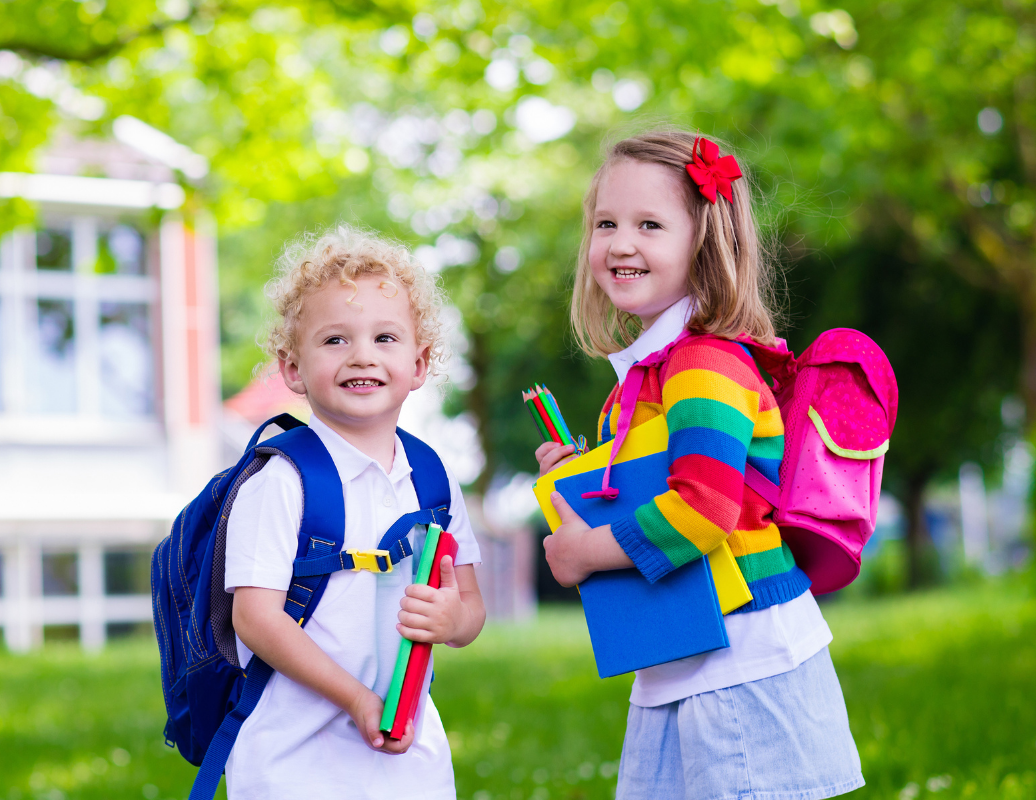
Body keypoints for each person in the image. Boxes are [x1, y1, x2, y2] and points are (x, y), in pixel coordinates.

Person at [536, 130, 864, 800]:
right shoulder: (649, 375)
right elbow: (663, 477)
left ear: (704, 242)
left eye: (649, 224)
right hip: (685, 654)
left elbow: (706, 509)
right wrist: (587, 472)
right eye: (606, 223)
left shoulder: (703, 364)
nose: (621, 243)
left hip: (741, 662)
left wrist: (586, 552)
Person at [224, 227, 485, 798]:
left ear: (419, 364)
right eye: (335, 340)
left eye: (385, 338)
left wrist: (451, 622)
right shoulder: (279, 482)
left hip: (410, 762)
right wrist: (356, 699)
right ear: (292, 368)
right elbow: (255, 618)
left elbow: (469, 609)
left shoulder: (433, 480)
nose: (362, 355)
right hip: (293, 765)